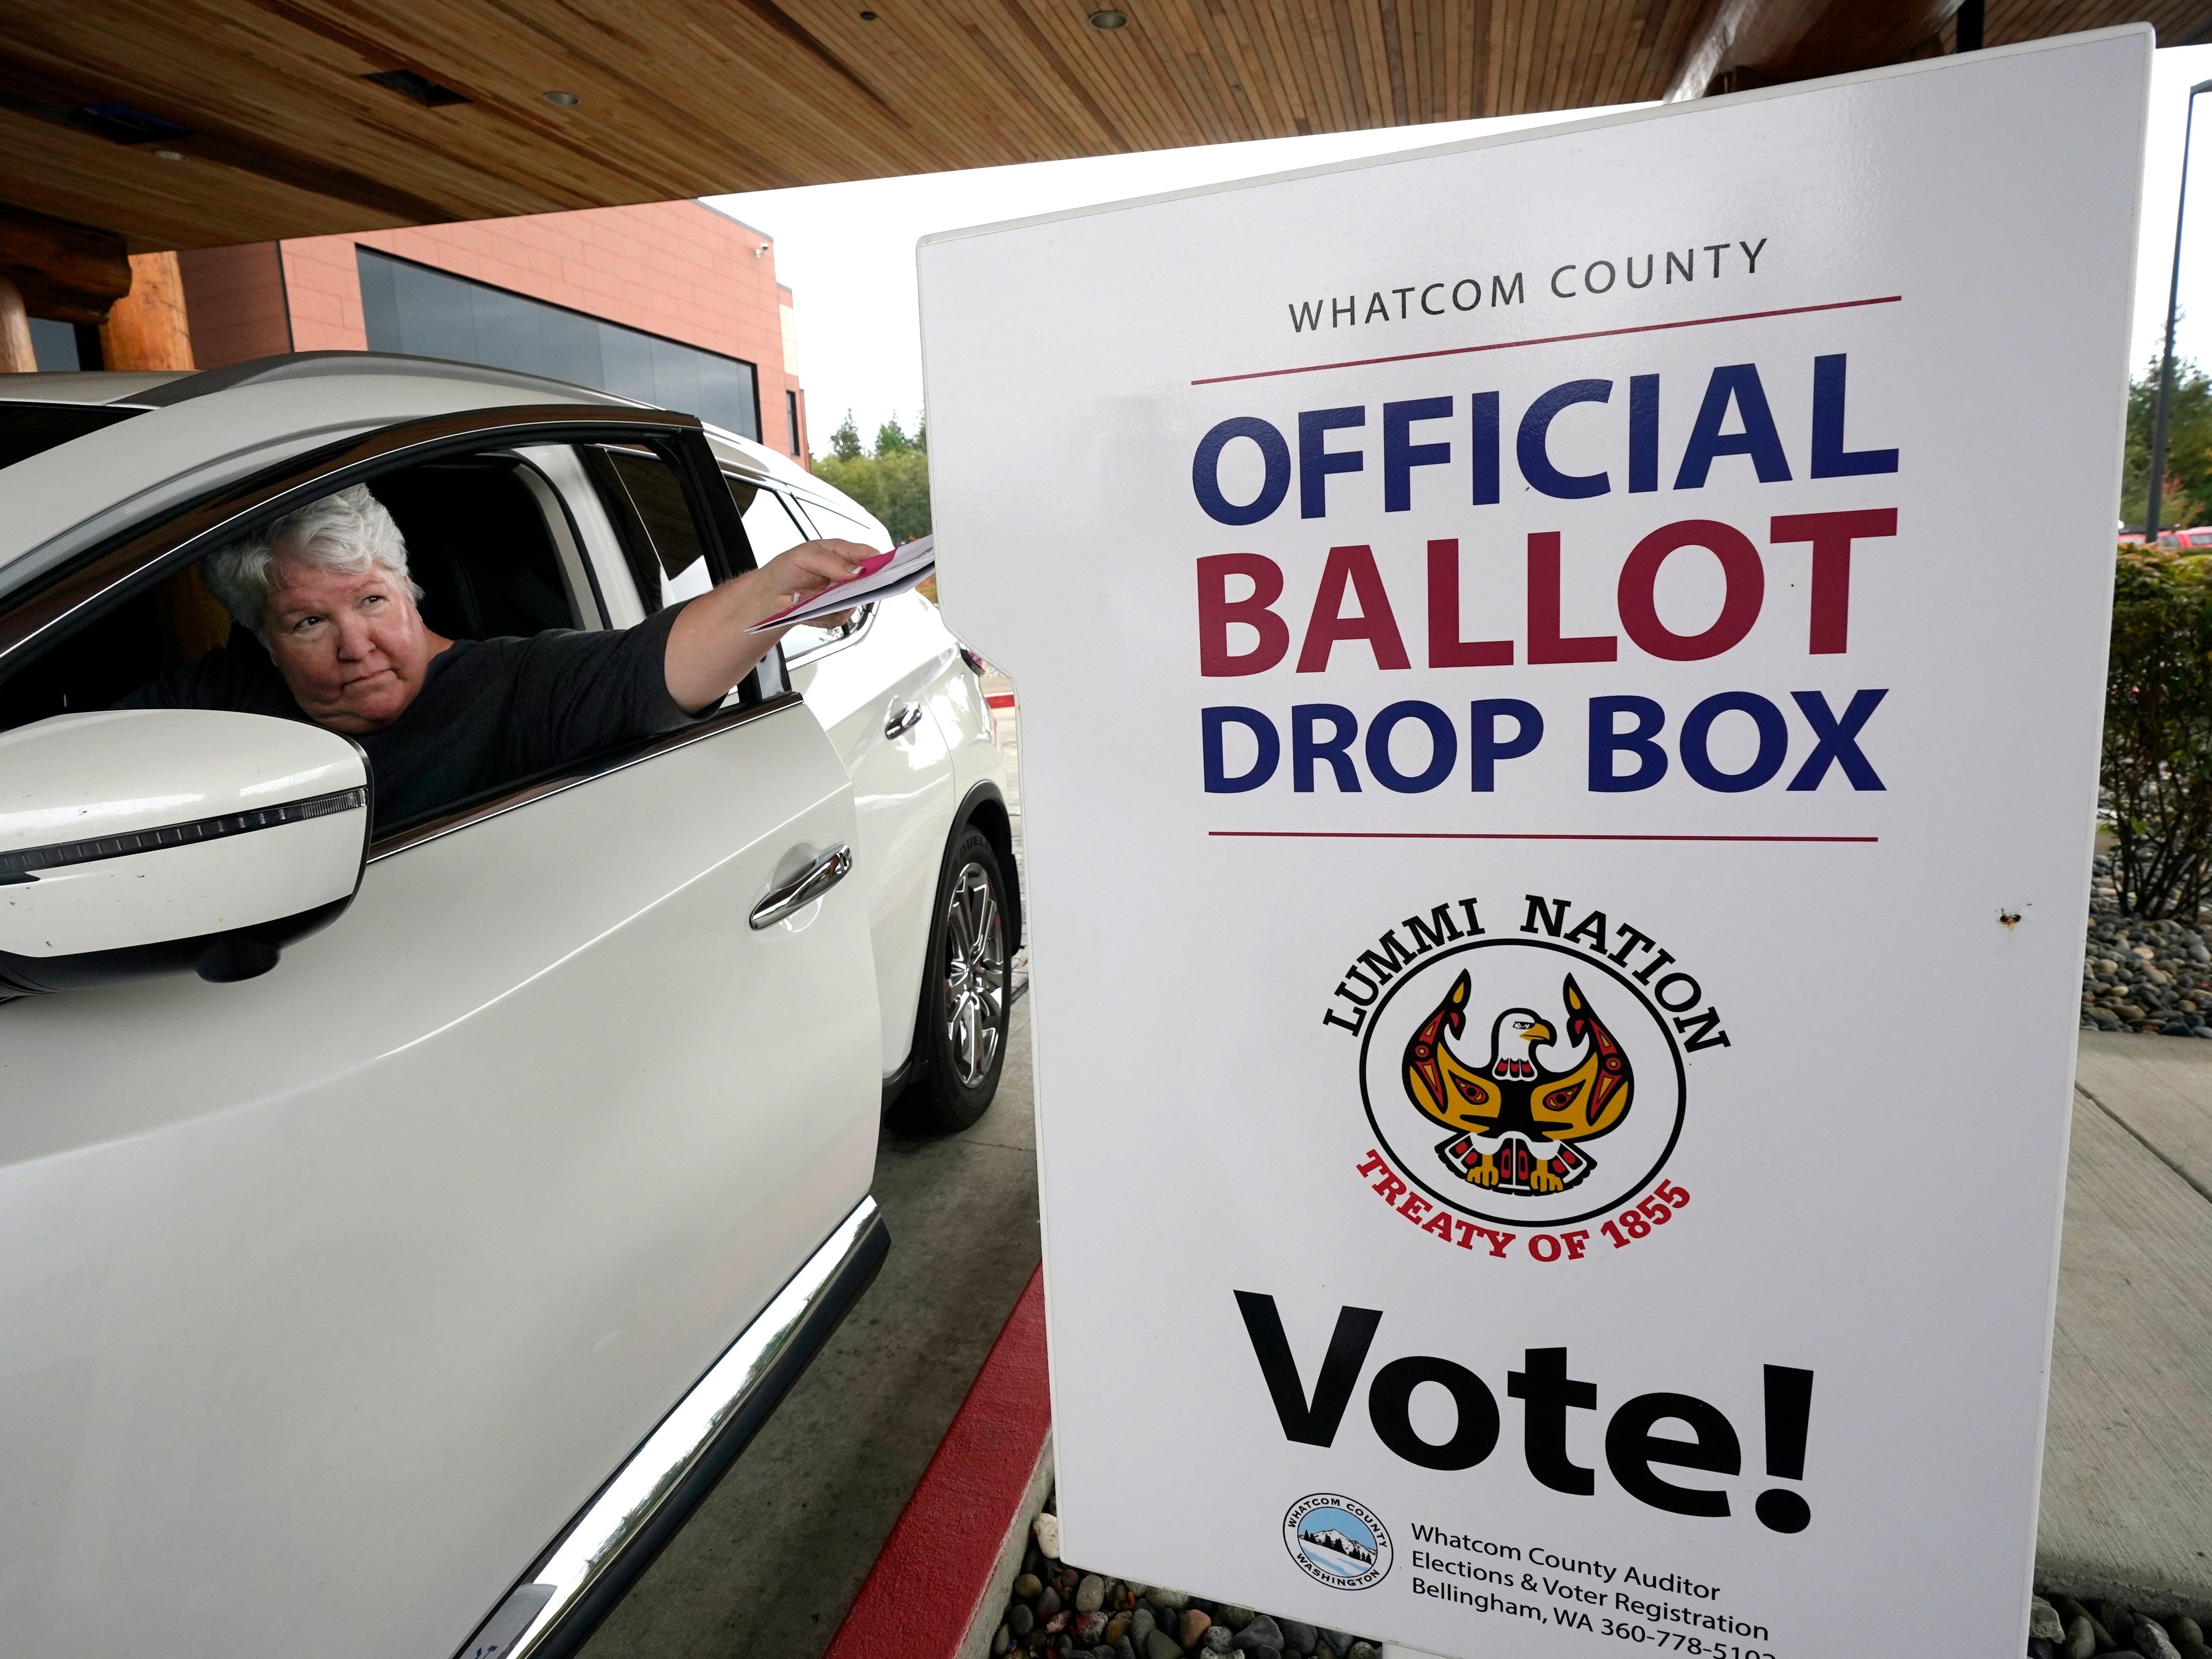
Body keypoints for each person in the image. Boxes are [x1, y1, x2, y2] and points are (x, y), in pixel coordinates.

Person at [122, 483, 865, 826]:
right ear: (265, 638)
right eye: (310, 621)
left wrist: (775, 591)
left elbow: (650, 668)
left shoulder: (517, 684)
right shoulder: (226, 697)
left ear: (411, 594)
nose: (357, 646)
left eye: (373, 601)